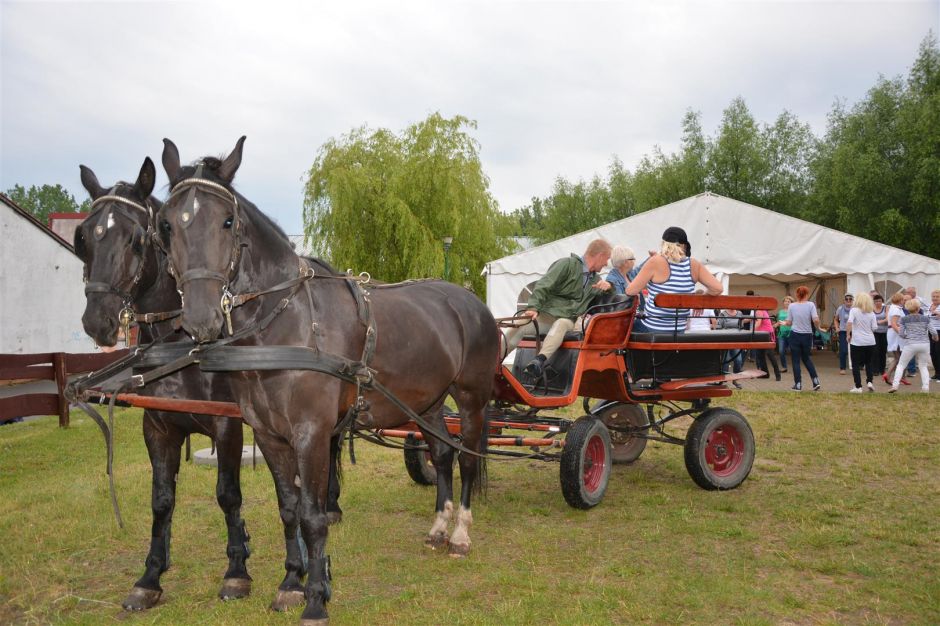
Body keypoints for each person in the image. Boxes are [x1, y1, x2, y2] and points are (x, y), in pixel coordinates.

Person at [503, 239, 613, 377]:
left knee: (561, 323)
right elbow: (544, 284)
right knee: (521, 322)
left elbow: (611, 299)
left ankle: (538, 362)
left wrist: (610, 287)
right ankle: (493, 360)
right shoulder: (566, 265)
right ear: (600, 255)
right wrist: (533, 307)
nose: (606, 264)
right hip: (548, 315)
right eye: (607, 259)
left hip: (569, 321)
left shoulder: (597, 281)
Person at [625, 226, 722, 333]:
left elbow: (630, 291)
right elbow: (718, 289)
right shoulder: (694, 265)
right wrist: (699, 301)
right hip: (679, 330)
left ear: (664, 244)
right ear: (684, 246)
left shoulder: (655, 261)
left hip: (651, 329)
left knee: (625, 327)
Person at [889, 298, 938, 393]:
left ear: (907, 308)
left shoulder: (904, 319)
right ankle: (925, 388)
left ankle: (895, 385)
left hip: (910, 344)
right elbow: (933, 332)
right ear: (918, 308)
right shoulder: (925, 318)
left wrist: (907, 336)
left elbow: (901, 333)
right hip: (924, 344)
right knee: (923, 366)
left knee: (901, 365)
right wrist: (935, 338)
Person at [783, 285, 821, 391]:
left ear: (797, 294)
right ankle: (815, 381)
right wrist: (818, 328)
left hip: (795, 335)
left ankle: (798, 384)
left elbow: (789, 322)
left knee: (795, 360)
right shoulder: (811, 305)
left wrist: (784, 323)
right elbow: (816, 319)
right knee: (806, 358)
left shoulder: (792, 306)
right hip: (807, 335)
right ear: (807, 294)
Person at [847, 292, 878, 393]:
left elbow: (849, 323)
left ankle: (858, 386)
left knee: (855, 364)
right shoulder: (872, 313)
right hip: (870, 341)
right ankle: (870, 381)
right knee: (869, 363)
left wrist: (848, 334)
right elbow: (874, 327)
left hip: (857, 342)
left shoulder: (854, 311)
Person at [883, 291, 909, 386]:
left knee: (900, 357)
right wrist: (901, 334)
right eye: (903, 299)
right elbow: (894, 324)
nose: (904, 301)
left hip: (894, 333)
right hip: (896, 335)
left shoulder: (894, 308)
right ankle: (888, 374)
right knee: (899, 357)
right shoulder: (896, 310)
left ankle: (901, 377)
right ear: (899, 300)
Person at [754, 307, 781, 381]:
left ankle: (777, 374)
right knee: (761, 355)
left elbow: (758, 323)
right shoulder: (764, 310)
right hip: (764, 334)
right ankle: (766, 374)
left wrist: (751, 331)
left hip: (764, 335)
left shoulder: (759, 311)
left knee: (769, 354)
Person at [832, 293, 853, 374]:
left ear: (852, 300)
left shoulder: (855, 309)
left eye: (850, 299)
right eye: (846, 299)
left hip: (853, 331)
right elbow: (835, 319)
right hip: (843, 331)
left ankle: (856, 366)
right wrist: (837, 328)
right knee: (843, 350)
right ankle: (842, 368)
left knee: (854, 349)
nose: (848, 300)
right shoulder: (840, 308)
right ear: (844, 300)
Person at [774, 295, 793, 373]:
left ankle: (796, 365)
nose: (787, 303)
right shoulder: (780, 312)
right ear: (783, 303)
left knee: (793, 350)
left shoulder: (793, 311)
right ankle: (784, 367)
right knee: (781, 351)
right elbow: (778, 322)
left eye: (789, 301)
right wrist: (774, 326)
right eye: (785, 301)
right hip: (781, 334)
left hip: (791, 333)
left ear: (791, 303)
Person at [872, 292, 889, 376]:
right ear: (874, 302)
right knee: (875, 351)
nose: (878, 302)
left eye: (879, 301)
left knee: (883, 351)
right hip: (875, 333)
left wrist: (880, 321)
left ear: (882, 301)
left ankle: (882, 369)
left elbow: (888, 318)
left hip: (884, 333)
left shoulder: (886, 308)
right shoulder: (872, 309)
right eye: (876, 301)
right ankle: (875, 369)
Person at [929, 289, 940, 382]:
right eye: (933, 296)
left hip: (939, 331)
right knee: (932, 352)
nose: (935, 298)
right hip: (931, 332)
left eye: (937, 297)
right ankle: (936, 373)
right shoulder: (930, 306)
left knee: (938, 352)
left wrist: (936, 312)